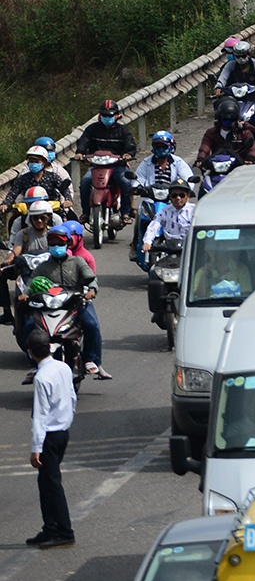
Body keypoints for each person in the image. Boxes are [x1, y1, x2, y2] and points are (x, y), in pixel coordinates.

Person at [26, 329, 75, 549]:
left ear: (31, 353)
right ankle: (50, 528)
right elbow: (72, 397)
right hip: (62, 431)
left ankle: (64, 531)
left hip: (49, 436)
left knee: (52, 484)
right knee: (45, 482)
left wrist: (36, 448)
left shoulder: (41, 378)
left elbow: (40, 415)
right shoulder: (63, 367)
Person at [38, 233, 105, 381]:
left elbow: (91, 278)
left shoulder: (78, 262)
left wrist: (92, 290)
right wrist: (25, 293)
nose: (56, 247)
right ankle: (34, 364)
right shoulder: (44, 267)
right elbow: (32, 282)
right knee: (31, 327)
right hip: (52, 306)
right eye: (53, 244)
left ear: (67, 245)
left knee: (91, 325)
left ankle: (89, 358)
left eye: (60, 244)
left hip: (77, 303)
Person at [74, 99, 135, 226]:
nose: (108, 118)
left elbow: (130, 145)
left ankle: (125, 213)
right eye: (105, 115)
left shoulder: (122, 130)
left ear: (117, 116)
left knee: (126, 182)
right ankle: (85, 212)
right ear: (100, 116)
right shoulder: (92, 129)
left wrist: (128, 154)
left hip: (117, 166)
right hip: (96, 167)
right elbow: (84, 141)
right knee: (85, 182)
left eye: (110, 115)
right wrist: (80, 153)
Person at [139, 182, 195, 274]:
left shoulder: (194, 210)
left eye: (181, 195)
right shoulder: (165, 211)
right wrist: (147, 242)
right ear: (170, 197)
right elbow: (154, 225)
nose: (178, 198)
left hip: (188, 248)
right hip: (168, 249)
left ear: (188, 196)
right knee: (155, 273)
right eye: (174, 195)